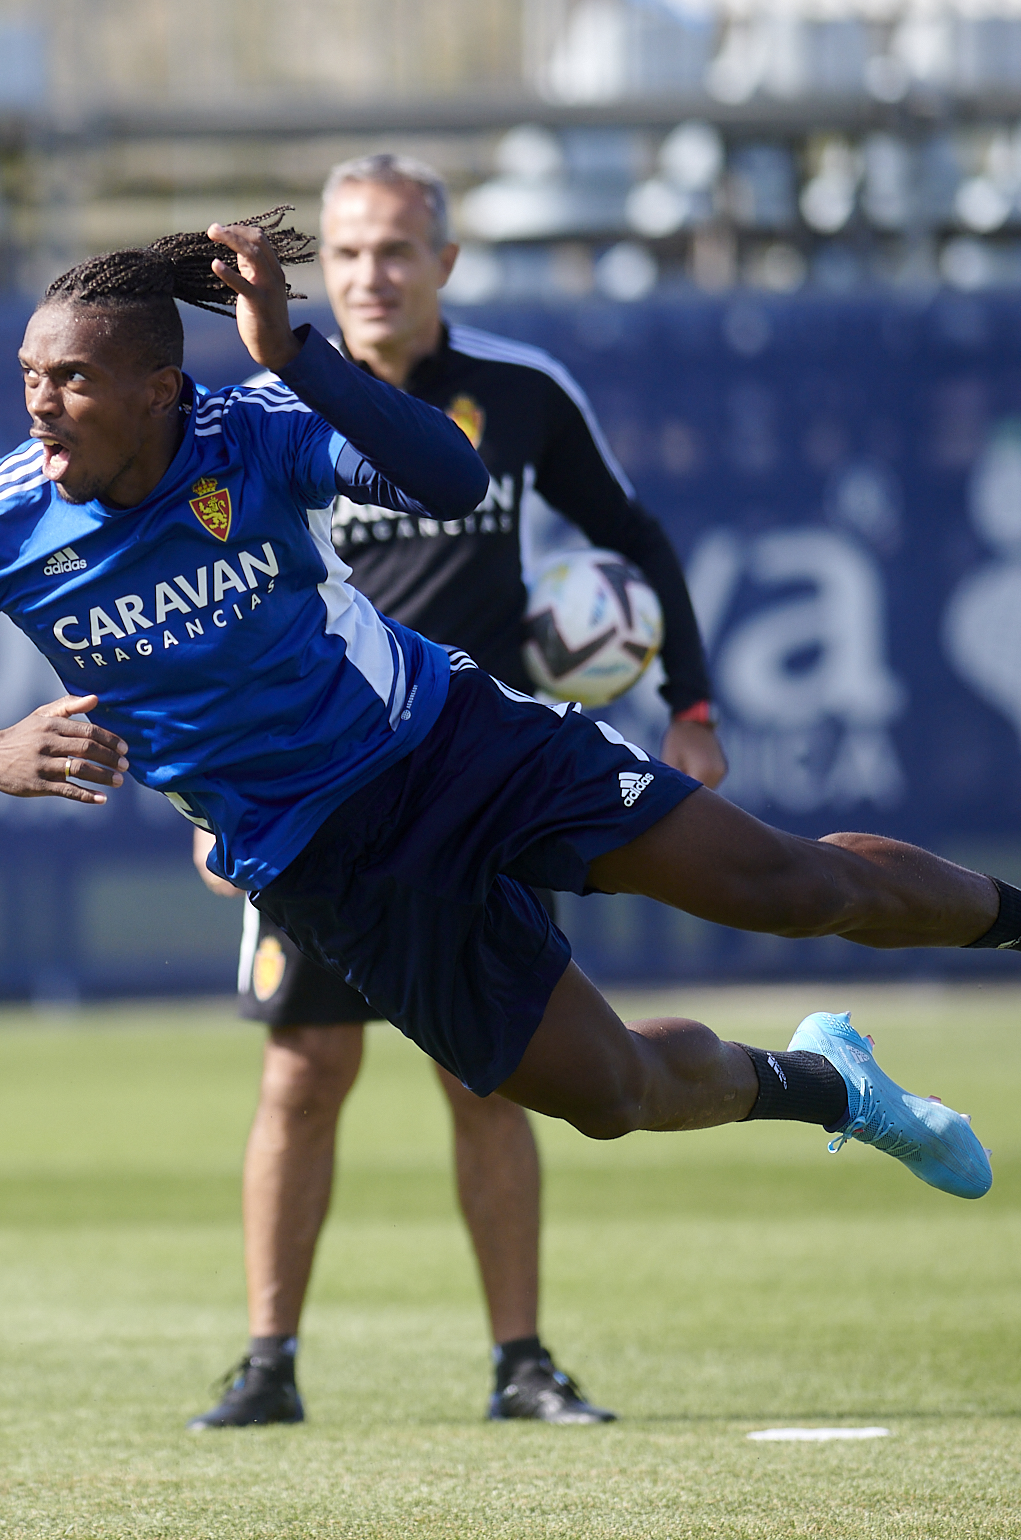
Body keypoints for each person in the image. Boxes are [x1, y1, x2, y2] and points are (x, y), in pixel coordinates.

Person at [0, 210, 1021, 1421]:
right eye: (30, 376)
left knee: (786, 886)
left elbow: (440, 474)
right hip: (326, 870)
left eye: (74, 380)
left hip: (451, 740)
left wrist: (296, 358)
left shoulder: (248, 432)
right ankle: (832, 1088)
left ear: (163, 387)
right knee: (605, 1096)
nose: (41, 406)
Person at [185, 152, 724, 1432]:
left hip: (477, 779)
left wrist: (689, 709)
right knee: (303, 1068)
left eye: (395, 250)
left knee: (490, 1070)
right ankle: (267, 1360)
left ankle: (521, 1360)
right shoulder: (257, 409)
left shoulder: (520, 395)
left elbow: (635, 537)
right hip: (312, 794)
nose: (370, 274)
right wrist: (214, 804)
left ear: (445, 262)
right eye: (349, 250)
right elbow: (200, 630)